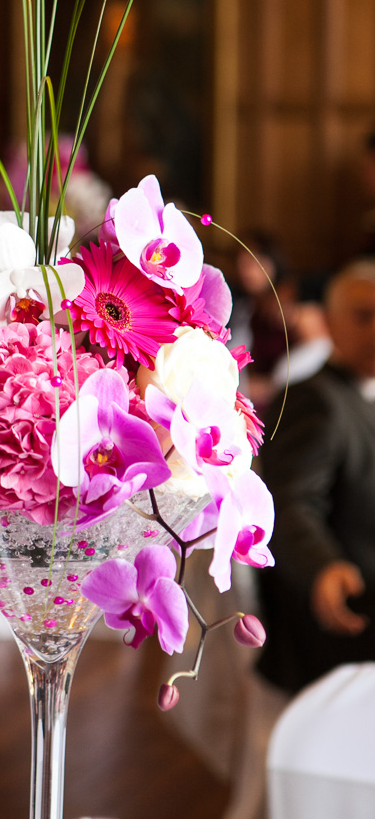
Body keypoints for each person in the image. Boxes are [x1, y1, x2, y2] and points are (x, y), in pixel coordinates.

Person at [223, 258, 375, 819]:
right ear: (328, 323)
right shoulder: (316, 400)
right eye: (363, 316)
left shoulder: (362, 392)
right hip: (332, 622)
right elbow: (289, 503)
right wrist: (322, 569)